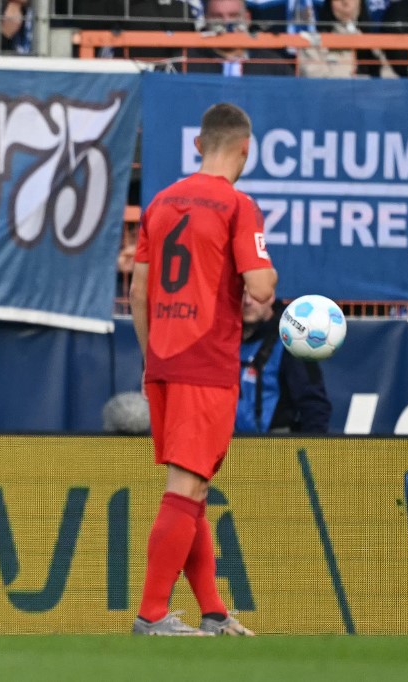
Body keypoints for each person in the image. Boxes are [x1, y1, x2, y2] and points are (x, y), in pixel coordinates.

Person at [130, 102, 277, 636]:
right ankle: (150, 615)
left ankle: (212, 611)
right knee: (184, 488)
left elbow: (138, 291)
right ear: (245, 148)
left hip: (164, 361)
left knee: (193, 490)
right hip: (206, 362)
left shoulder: (161, 202)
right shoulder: (238, 206)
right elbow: (260, 288)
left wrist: (151, 361)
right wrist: (270, 273)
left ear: (199, 145)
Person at [236, 291, 333, 433]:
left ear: (270, 296)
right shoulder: (222, 339)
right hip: (228, 447)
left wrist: (312, 452)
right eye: (242, 294)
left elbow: (314, 406)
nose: (247, 301)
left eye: (255, 294)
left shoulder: (291, 342)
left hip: (277, 448)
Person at [185, 0, 295, 76]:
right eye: (217, 16)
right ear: (206, 19)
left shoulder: (274, 66)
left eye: (233, 16)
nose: (226, 23)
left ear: (248, 19)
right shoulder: (185, 64)